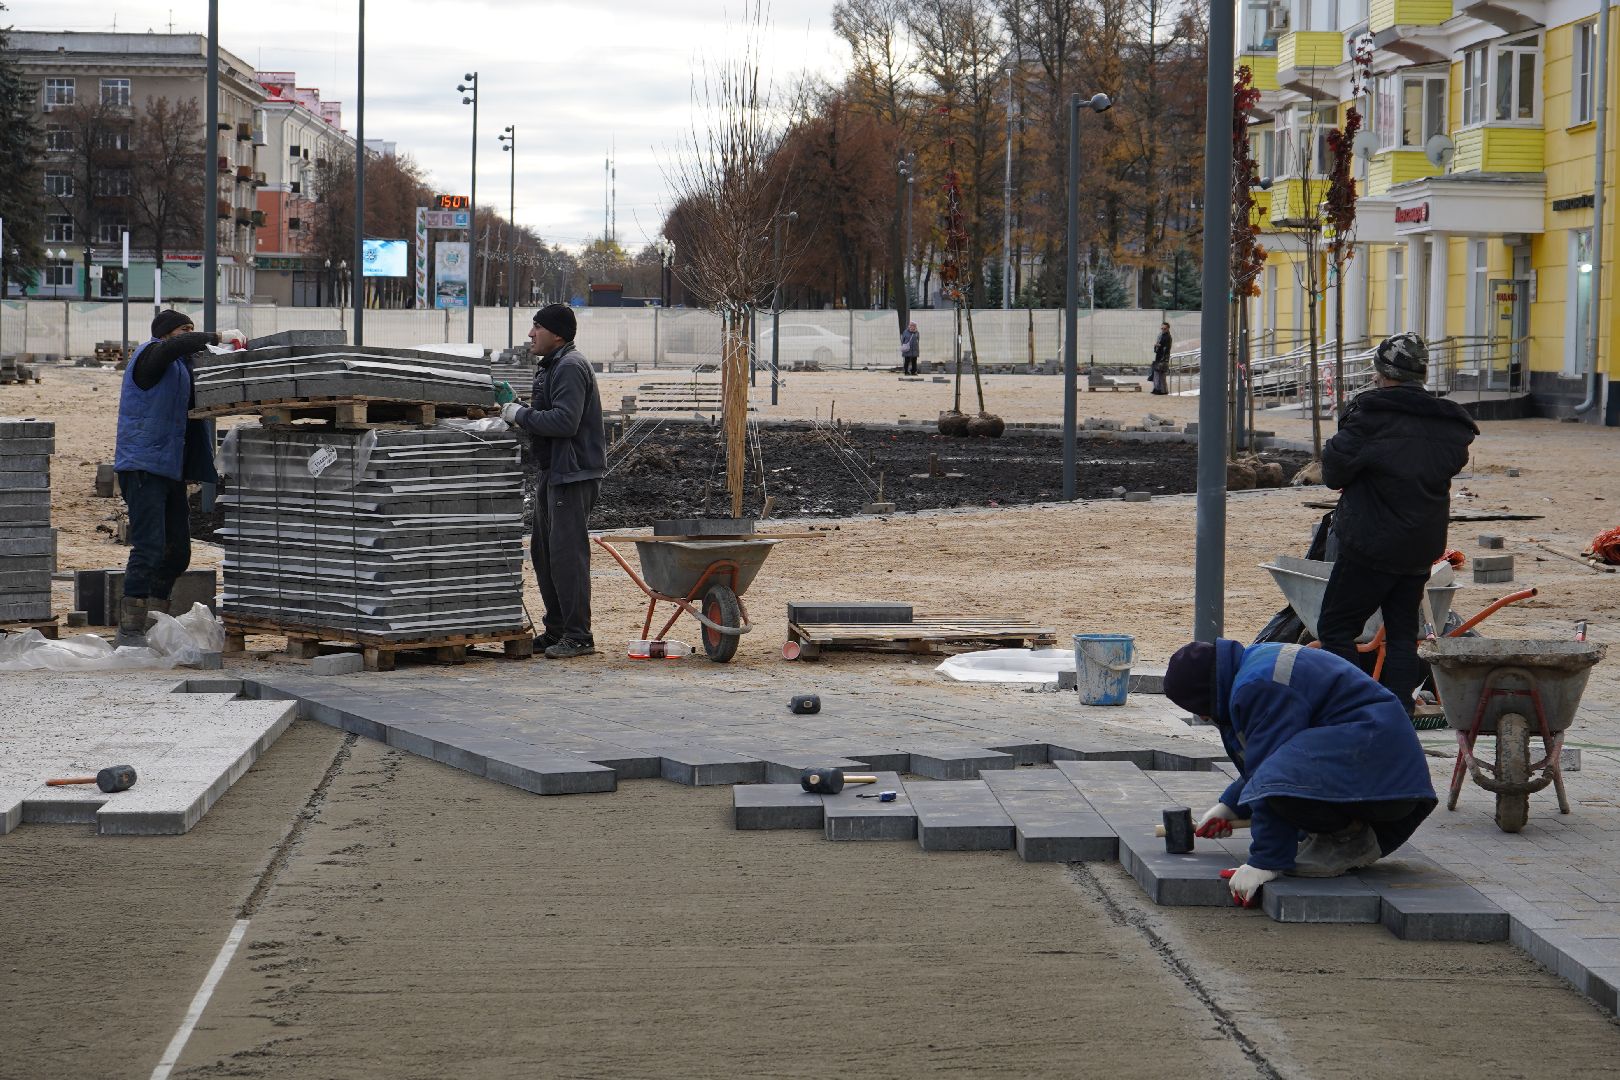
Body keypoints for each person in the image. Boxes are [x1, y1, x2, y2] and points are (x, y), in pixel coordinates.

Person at [1164, 639, 1438, 908]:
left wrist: (1264, 861)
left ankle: (1346, 838)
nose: (1203, 718)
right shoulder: (1252, 668)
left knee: (1277, 784)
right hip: (1385, 778)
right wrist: (1231, 806)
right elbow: (1271, 756)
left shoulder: (1257, 687)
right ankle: (1338, 832)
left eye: (1200, 710)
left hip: (1384, 783)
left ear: (1207, 693)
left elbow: (1271, 773)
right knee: (1279, 780)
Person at [1317, 332, 1478, 713]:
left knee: (1336, 627)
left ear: (1382, 373)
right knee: (1404, 632)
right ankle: (1396, 711)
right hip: (1420, 544)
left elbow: (1334, 473)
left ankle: (1353, 708)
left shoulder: (1372, 415)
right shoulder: (1448, 424)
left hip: (1371, 543)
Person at [112, 310, 245, 647]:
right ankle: (130, 629)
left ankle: (155, 620)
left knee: (178, 552)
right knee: (149, 546)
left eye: (192, 330)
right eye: (184, 330)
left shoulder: (182, 369)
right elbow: (174, 347)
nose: (190, 336)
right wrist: (216, 337)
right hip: (142, 465)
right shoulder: (150, 356)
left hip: (168, 468)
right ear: (166, 333)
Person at [500, 304, 606, 659]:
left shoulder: (571, 367)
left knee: (566, 556)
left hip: (573, 474)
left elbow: (564, 422)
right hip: (554, 471)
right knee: (544, 553)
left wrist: (520, 414)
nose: (530, 334)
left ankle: (579, 635)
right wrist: (516, 409)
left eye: (537, 327)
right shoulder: (554, 366)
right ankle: (558, 629)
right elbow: (548, 417)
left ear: (557, 334)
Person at [1149, 322, 1171, 395]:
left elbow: (1166, 348)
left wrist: (1159, 346)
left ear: (1168, 328)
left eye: (1165, 328)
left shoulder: (1168, 337)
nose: (1163, 330)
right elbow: (1157, 348)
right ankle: (1158, 389)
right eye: (1162, 328)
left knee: (1160, 374)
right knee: (1157, 373)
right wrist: (1157, 346)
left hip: (1163, 358)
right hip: (1159, 357)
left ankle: (1161, 390)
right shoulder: (1161, 335)